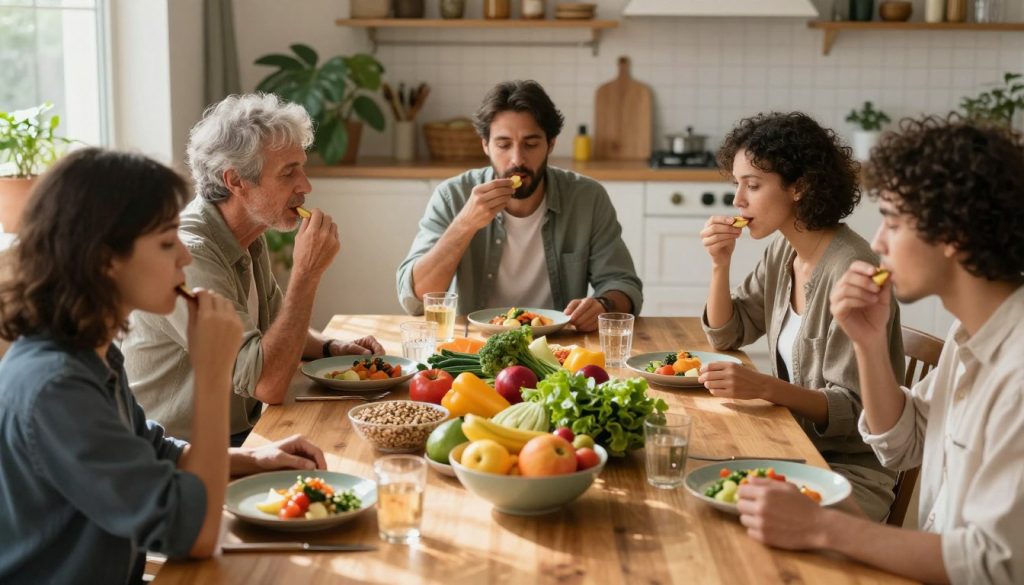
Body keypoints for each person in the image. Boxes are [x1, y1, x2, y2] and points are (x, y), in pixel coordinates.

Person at [0, 148, 328, 584]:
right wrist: (213, 376)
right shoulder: (55, 387)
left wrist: (257, 457)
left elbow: (155, 452)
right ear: (104, 259)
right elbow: (194, 535)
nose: (185, 259)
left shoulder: (92, 351)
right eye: (166, 242)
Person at [736, 116, 1024, 584]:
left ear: (952, 234)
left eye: (892, 220)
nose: (879, 241)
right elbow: (902, 443)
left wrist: (824, 526)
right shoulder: (969, 334)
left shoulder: (1017, 369)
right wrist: (869, 346)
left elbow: (995, 565)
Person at [122, 93, 383, 445]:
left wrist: (331, 347)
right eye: (289, 173)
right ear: (236, 181)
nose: (305, 186)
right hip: (182, 456)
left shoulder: (249, 234)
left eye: (302, 169)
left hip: (243, 435)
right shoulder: (190, 255)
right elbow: (268, 383)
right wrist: (305, 274)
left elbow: (276, 328)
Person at [699, 112, 905, 521]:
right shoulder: (784, 252)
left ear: (800, 187)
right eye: (736, 184)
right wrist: (720, 265)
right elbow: (728, 333)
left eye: (752, 185)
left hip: (847, 473)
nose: (737, 200)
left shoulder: (851, 270)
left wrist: (764, 386)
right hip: (793, 450)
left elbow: (853, 410)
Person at [396, 80, 643, 332]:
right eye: (503, 145)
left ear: (551, 143)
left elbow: (624, 284)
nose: (517, 159)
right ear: (485, 145)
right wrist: (465, 225)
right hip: (475, 347)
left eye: (531, 144)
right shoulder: (452, 196)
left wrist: (603, 304)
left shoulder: (587, 198)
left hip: (559, 346)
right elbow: (414, 299)